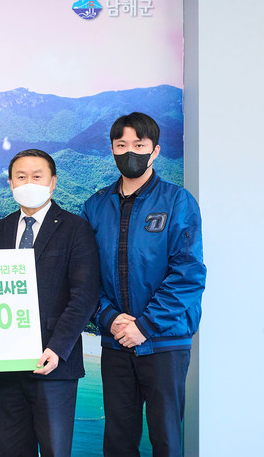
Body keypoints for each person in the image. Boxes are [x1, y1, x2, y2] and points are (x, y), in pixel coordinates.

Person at [81, 112, 206, 457]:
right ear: (112, 149)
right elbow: (84, 275)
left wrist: (146, 326)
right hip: (116, 341)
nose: (130, 152)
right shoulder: (95, 206)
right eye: (121, 145)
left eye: (139, 145)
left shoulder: (177, 201)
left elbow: (188, 273)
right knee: (118, 441)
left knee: (166, 438)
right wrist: (108, 318)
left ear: (155, 151)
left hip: (165, 342)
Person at [0, 149, 100, 457]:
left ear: (53, 182)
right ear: (10, 183)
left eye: (37, 176)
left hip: (55, 363)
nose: (29, 183)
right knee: (11, 450)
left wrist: (58, 348)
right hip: (9, 364)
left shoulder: (76, 228)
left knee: (54, 450)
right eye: (21, 177)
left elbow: (85, 295)